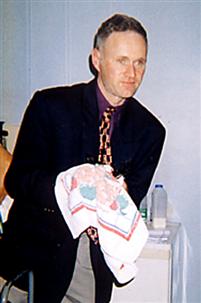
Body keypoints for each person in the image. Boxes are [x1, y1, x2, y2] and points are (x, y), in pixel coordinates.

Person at [0, 13, 166, 303]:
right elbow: (17, 180)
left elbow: (133, 199)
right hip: (35, 260)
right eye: (122, 60)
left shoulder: (150, 131)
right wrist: (71, 187)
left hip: (94, 266)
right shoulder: (51, 106)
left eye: (140, 62)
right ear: (97, 60)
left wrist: (119, 195)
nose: (132, 72)